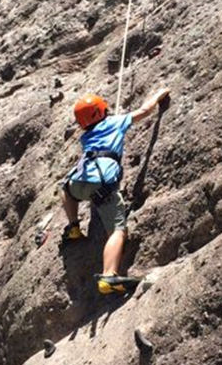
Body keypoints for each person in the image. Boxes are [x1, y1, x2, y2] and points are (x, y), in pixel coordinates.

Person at [62, 88, 170, 294]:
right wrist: (159, 93)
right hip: (101, 187)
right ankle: (109, 276)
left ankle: (73, 227)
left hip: (78, 183)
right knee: (118, 230)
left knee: (65, 188)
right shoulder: (115, 122)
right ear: (100, 110)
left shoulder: (85, 137)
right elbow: (145, 110)